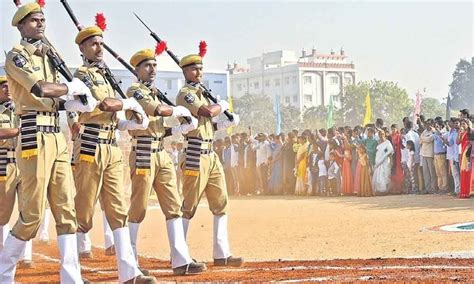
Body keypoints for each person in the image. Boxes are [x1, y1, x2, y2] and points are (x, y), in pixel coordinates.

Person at [1, 3, 97, 282]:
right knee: (31, 214)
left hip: (57, 134)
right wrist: (72, 88)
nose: (40, 23)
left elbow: (59, 98)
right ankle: (3, 274)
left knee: (67, 211)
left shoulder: (49, 56)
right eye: (33, 20)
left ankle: (71, 277)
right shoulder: (17, 57)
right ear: (20, 26)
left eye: (42, 19)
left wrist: (76, 100)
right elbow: (40, 88)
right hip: (34, 135)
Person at [72, 27, 157, 283]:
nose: (99, 48)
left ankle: (129, 273)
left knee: (117, 210)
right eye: (93, 44)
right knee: (83, 210)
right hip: (89, 145)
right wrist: (129, 104)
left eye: (101, 43)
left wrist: (130, 122)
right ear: (82, 49)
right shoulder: (81, 75)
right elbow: (105, 104)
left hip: (112, 145)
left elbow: (114, 115)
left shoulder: (107, 76)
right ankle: (72, 272)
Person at [125, 48, 204, 275]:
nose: (152, 70)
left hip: (161, 152)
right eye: (147, 66)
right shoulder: (135, 91)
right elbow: (156, 110)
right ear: (137, 69)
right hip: (142, 152)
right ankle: (130, 260)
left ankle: (180, 260)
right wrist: (180, 111)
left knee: (173, 207)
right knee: (138, 208)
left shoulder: (155, 91)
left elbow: (160, 128)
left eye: (154, 65)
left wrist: (179, 128)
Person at [176, 48, 243, 267]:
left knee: (221, 203)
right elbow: (205, 112)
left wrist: (225, 124)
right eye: (194, 68)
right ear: (185, 71)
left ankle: (222, 253)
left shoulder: (202, 92)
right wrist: (222, 106)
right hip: (195, 152)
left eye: (201, 68)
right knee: (189, 205)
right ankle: (180, 254)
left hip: (210, 152)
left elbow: (210, 124)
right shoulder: (185, 94)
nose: (199, 72)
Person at [0, 76, 33, 269]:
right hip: (4, 162)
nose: (8, 89)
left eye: (10, 86)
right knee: (2, 209)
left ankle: (24, 255)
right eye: (4, 87)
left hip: (25, 162)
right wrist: (17, 130)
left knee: (27, 208)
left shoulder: (21, 108)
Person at [372, 130, 394, 194]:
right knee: (378, 176)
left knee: (384, 176)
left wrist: (391, 162)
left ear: (384, 134)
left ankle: (384, 190)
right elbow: (377, 152)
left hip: (385, 162)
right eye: (380, 134)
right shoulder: (378, 142)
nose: (381, 135)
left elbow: (389, 153)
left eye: (382, 134)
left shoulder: (387, 143)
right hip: (378, 162)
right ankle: (379, 190)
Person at [420, 120, 436, 193]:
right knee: (425, 172)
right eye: (426, 124)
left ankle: (433, 188)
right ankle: (427, 188)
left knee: (432, 172)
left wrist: (424, 139)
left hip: (430, 154)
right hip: (424, 153)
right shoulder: (424, 131)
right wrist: (424, 139)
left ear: (431, 124)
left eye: (429, 124)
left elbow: (429, 139)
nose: (427, 125)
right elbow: (421, 139)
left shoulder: (433, 131)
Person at [457, 118, 472, 198]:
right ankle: (464, 192)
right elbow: (457, 142)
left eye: (464, 124)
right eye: (461, 124)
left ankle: (468, 191)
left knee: (468, 172)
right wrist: (459, 133)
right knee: (463, 172)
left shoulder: (471, 132)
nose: (462, 126)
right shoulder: (462, 133)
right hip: (463, 154)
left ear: (468, 124)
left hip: (469, 155)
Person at [433, 121, 448, 193]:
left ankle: (445, 187)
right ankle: (440, 187)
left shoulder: (445, 133)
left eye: (437, 126)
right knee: (438, 173)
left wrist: (439, 132)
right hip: (436, 155)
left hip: (441, 154)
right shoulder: (435, 134)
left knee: (443, 172)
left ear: (441, 126)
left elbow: (443, 139)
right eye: (435, 126)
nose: (436, 127)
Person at [390, 124, 404, 194]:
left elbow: (397, 143)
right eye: (392, 129)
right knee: (394, 171)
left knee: (399, 170)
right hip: (393, 155)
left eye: (394, 129)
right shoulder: (391, 136)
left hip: (398, 154)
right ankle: (395, 188)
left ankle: (400, 188)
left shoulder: (398, 136)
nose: (392, 130)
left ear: (396, 129)